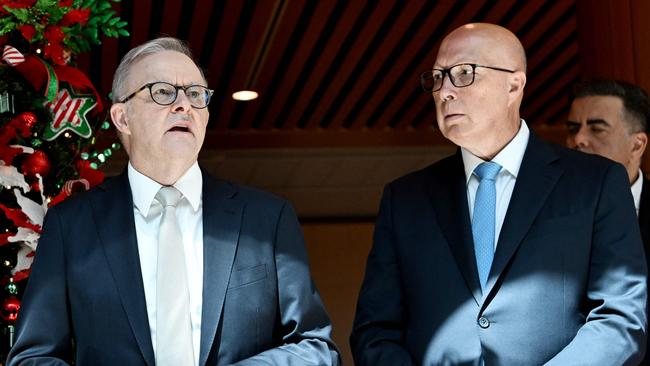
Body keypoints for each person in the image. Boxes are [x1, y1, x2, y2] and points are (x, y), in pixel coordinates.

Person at [7, 37, 340, 365]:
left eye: (196, 94)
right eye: (163, 92)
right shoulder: (71, 225)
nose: (184, 105)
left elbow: (314, 347)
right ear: (123, 118)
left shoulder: (267, 218)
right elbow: (33, 358)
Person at [351, 23, 647, 365]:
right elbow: (375, 331)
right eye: (437, 77)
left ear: (514, 85)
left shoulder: (595, 182)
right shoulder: (404, 200)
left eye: (463, 73)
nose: (445, 90)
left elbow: (620, 318)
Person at [566, 78, 650, 363]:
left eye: (597, 128)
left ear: (637, 145)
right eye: (573, 128)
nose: (578, 140)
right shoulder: (546, 213)